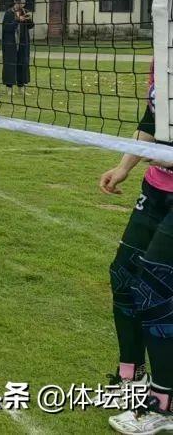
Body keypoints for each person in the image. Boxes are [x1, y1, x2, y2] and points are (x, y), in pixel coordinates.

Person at [101, 61, 173, 432]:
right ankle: (131, 377)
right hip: (156, 188)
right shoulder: (161, 55)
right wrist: (124, 166)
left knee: (156, 290)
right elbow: (151, 120)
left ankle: (164, 405)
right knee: (124, 275)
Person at [1, 0, 34, 93]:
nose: (21, 5)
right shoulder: (9, 13)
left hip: (23, 42)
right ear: (15, 1)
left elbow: (30, 26)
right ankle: (9, 88)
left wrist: (29, 19)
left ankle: (21, 88)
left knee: (23, 63)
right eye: (20, 3)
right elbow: (6, 28)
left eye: (23, 3)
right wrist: (17, 20)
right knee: (10, 64)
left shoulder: (25, 11)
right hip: (11, 43)